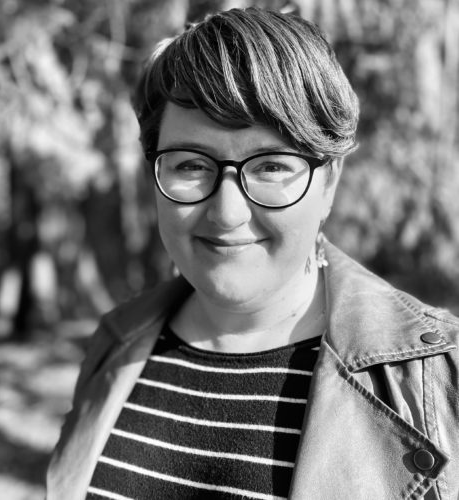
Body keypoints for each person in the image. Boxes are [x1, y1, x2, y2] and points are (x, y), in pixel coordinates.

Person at [47, 7, 459, 500]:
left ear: (328, 183)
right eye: (191, 165)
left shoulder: (435, 379)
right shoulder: (114, 344)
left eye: (269, 167)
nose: (226, 212)